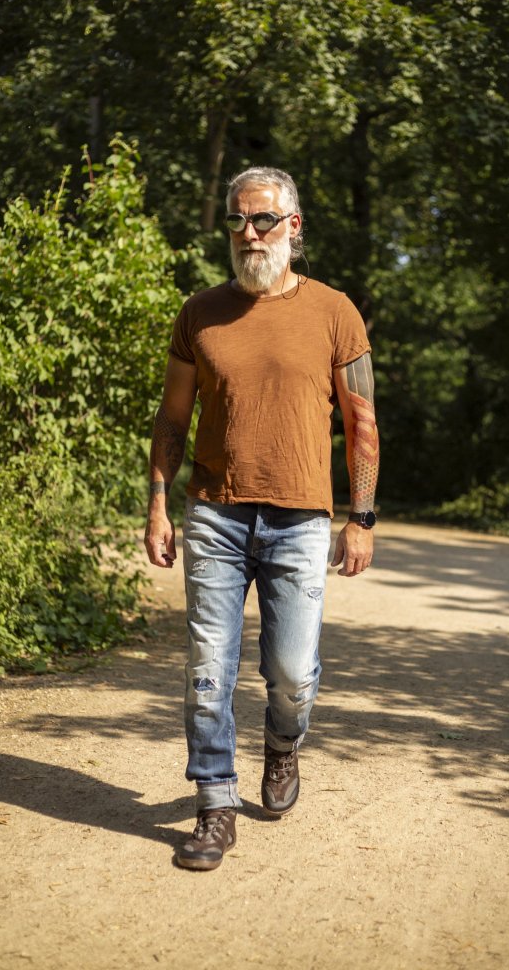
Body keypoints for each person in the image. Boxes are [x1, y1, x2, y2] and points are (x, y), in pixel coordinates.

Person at [144, 166, 379, 871]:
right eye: (237, 221)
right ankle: (215, 805)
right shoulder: (200, 312)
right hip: (214, 516)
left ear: (293, 227)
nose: (248, 234)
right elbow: (172, 418)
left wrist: (362, 517)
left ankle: (282, 743)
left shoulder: (335, 312)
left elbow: (361, 422)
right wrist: (158, 503)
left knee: (291, 674)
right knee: (207, 669)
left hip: (300, 520)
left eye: (263, 220)